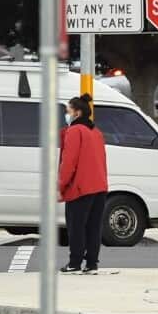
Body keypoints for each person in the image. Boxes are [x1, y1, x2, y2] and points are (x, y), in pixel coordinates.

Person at [58, 94, 108, 274]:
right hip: (99, 187)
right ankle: (92, 264)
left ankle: (74, 262)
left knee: (76, 227)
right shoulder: (96, 132)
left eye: (68, 111)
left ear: (77, 112)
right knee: (94, 227)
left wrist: (61, 186)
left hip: (80, 188)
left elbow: (68, 162)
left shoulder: (75, 131)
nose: (67, 114)